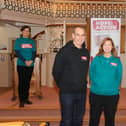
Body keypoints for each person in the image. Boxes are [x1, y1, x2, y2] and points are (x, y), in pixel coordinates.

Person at [52, 27, 90, 126]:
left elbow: (84, 71)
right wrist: (63, 86)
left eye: (82, 35)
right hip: (67, 92)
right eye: (78, 35)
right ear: (73, 36)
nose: (80, 37)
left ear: (85, 37)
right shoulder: (64, 51)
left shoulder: (86, 52)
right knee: (67, 120)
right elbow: (56, 71)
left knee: (78, 120)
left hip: (81, 92)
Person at [89, 37, 123, 126]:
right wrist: (98, 84)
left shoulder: (117, 61)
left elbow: (119, 77)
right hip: (96, 94)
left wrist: (113, 87)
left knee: (110, 120)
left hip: (112, 95)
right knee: (94, 119)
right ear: (102, 46)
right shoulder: (96, 59)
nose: (107, 46)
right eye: (105, 44)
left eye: (109, 44)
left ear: (112, 47)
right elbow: (91, 73)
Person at [14, 25, 36, 107]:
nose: (27, 32)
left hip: (30, 65)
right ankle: (21, 100)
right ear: (22, 31)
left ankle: (26, 99)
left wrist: (31, 60)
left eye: (28, 31)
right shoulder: (18, 41)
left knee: (27, 82)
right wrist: (25, 61)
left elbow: (34, 52)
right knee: (22, 82)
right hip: (21, 64)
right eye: (25, 31)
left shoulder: (32, 41)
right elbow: (17, 52)